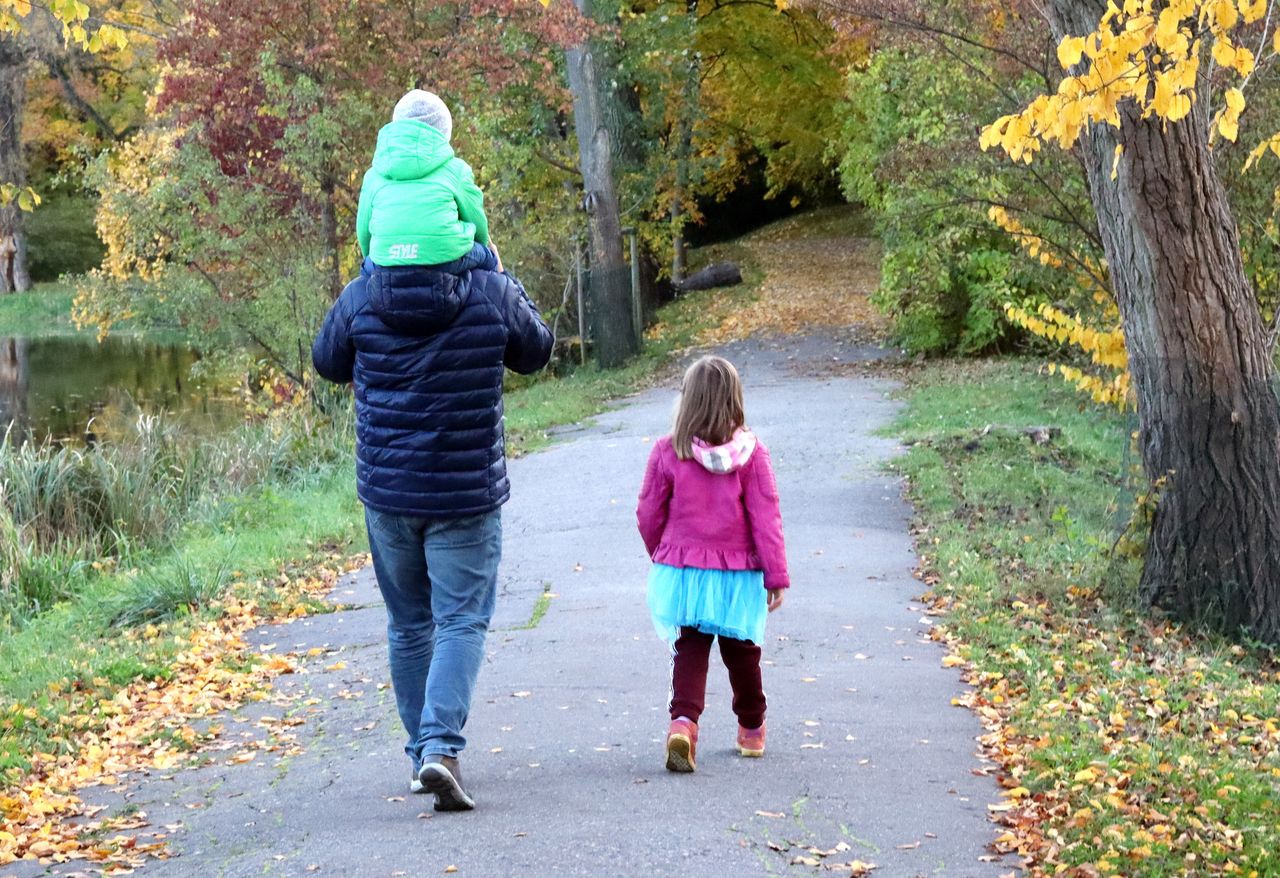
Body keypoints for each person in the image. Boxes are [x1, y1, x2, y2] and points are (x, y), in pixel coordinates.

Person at [312, 230, 553, 811]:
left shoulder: (362, 295)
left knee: (409, 625)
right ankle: (439, 750)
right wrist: (501, 272)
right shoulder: (489, 289)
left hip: (389, 492)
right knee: (462, 620)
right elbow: (536, 350)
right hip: (464, 491)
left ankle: (423, 750)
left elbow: (326, 362)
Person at [635, 355, 790, 773]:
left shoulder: (669, 452)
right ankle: (752, 727)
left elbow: (648, 513)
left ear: (687, 402)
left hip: (684, 570)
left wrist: (662, 553)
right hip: (738, 576)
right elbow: (766, 517)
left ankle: (683, 724)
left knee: (690, 647)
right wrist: (775, 575)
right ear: (734, 402)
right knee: (743, 652)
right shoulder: (752, 455)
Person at [356, 89, 499, 276]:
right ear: (444, 131)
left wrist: (376, 258)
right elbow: (478, 224)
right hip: (446, 259)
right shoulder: (457, 170)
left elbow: (364, 234)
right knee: (489, 257)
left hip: (387, 259)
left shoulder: (373, 176)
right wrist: (485, 251)